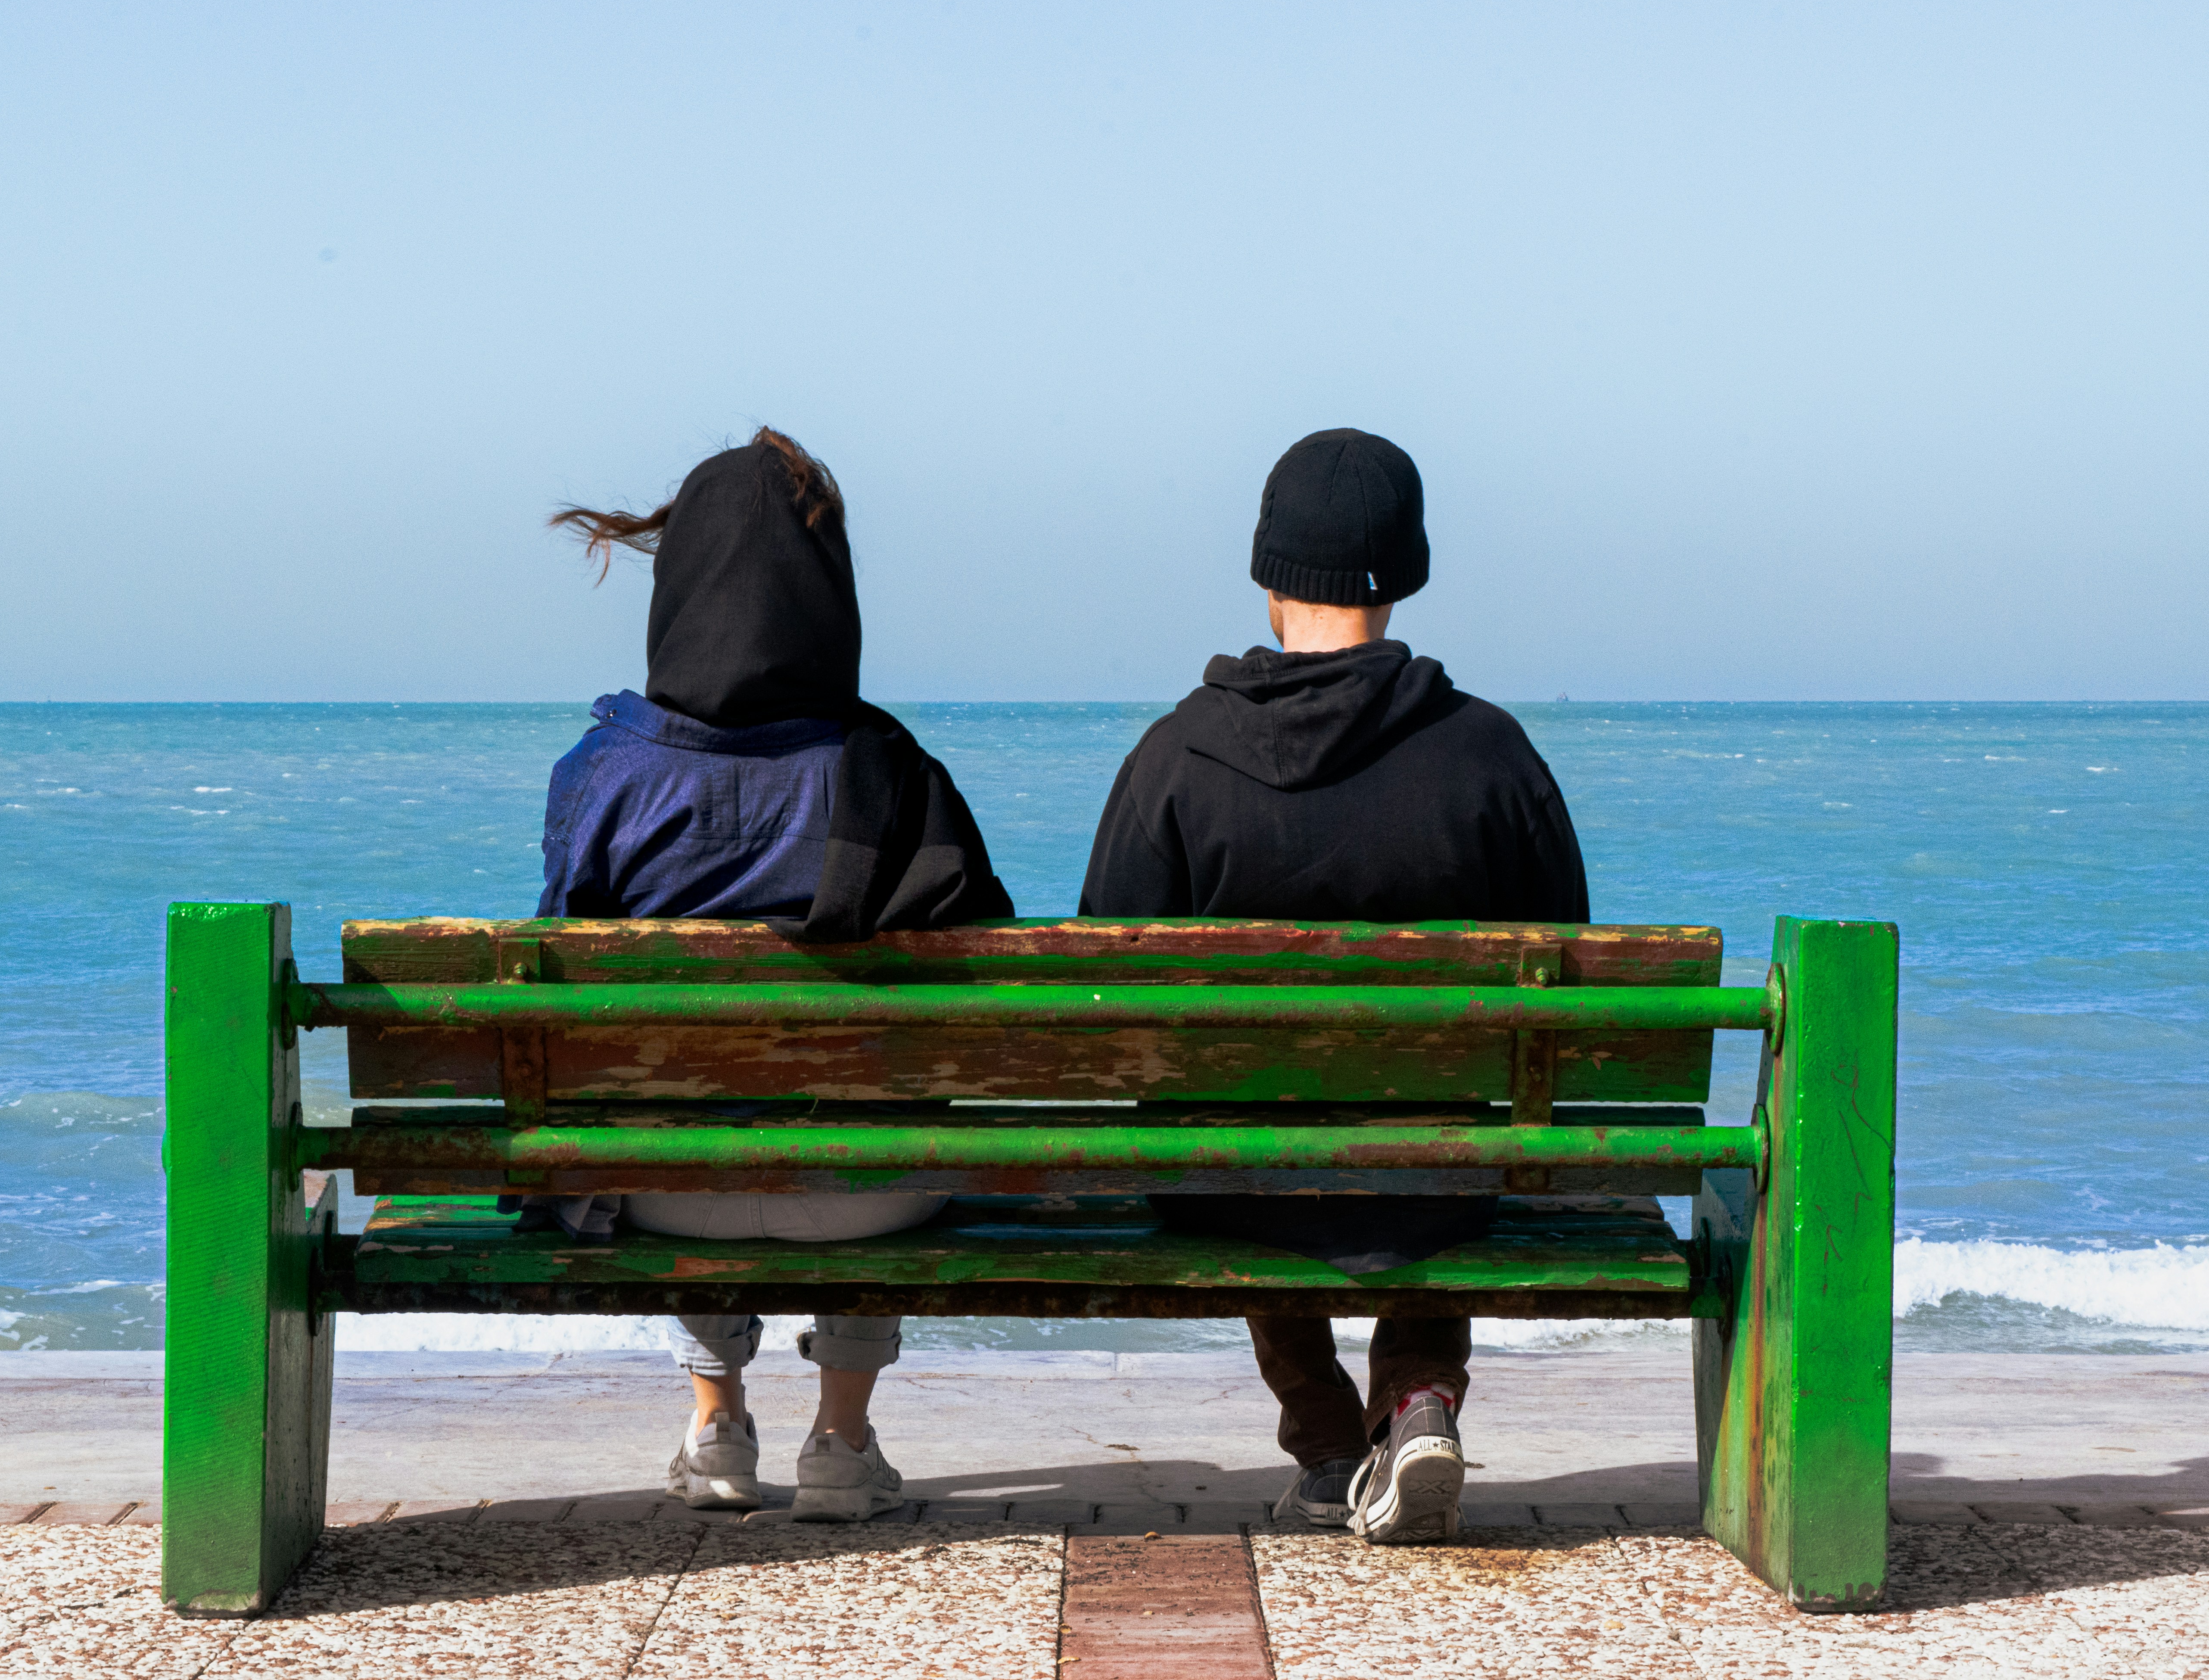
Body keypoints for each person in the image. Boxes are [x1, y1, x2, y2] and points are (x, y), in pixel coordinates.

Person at [1077, 428, 1589, 1546]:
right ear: (1401, 576)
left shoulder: (1174, 760)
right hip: (1432, 1185)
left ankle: (1321, 1447)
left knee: (1243, 1132)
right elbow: (1572, 983)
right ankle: (1413, 1400)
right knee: (1426, 1133)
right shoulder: (1489, 757)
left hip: (1233, 1185)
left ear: (1268, 578)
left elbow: (1100, 1000)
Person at [531, 427, 1014, 1522]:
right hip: (867, 1198)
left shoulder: (598, 778)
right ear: (824, 592)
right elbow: (975, 997)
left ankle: (714, 1428)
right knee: (882, 1103)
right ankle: (839, 1441)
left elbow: (560, 1008)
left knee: (662, 1107)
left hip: (662, 1196)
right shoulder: (894, 773)